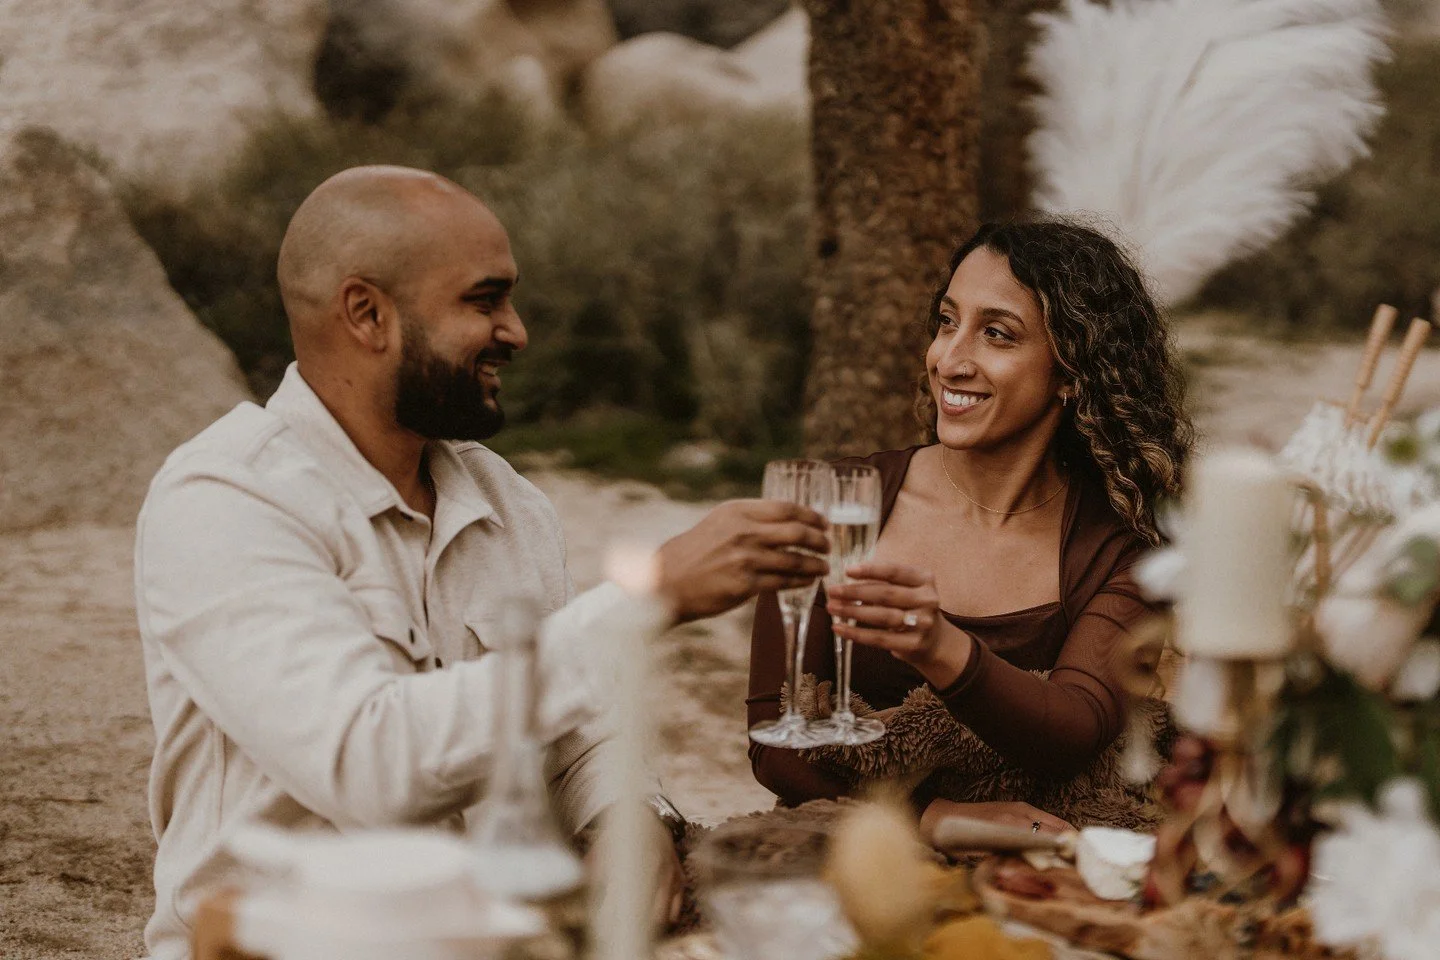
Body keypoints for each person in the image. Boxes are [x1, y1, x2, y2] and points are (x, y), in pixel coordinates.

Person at [135, 166, 829, 960]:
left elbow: (582, 727)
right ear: (368, 314)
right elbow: (369, 766)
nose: (517, 330)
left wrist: (627, 818)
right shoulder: (225, 498)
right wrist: (652, 593)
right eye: (484, 299)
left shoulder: (506, 502)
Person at [747, 218, 1192, 840]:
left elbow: (1074, 730)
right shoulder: (834, 501)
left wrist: (935, 643)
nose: (949, 360)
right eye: (947, 322)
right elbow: (774, 740)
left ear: (1071, 373)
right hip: (856, 849)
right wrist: (933, 819)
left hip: (1044, 859)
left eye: (997, 335)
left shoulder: (1120, 546)